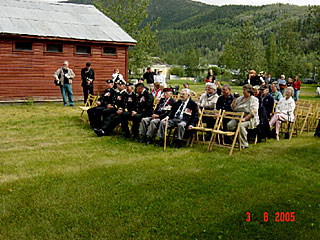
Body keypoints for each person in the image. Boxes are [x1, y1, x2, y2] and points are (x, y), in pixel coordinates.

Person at [227, 84, 259, 149]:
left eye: (245, 90)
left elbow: (253, 112)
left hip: (249, 119)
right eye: (243, 90)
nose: (243, 91)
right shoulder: (240, 98)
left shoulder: (253, 99)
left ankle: (244, 143)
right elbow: (233, 108)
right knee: (229, 125)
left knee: (241, 126)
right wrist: (234, 99)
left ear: (249, 91)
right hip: (237, 117)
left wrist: (245, 119)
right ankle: (234, 141)